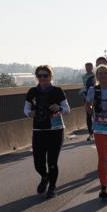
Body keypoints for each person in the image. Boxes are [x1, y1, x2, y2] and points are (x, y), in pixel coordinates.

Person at [25, 65, 71, 198]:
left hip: (55, 131)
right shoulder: (32, 92)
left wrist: (59, 108)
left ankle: (52, 187)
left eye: (45, 75)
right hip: (39, 130)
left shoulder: (57, 91)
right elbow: (26, 109)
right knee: (38, 163)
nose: (42, 78)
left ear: (51, 76)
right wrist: (29, 113)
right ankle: (44, 177)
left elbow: (67, 109)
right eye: (39, 76)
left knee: (52, 162)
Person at [86, 64, 107, 200]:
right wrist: (88, 108)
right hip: (99, 126)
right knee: (101, 157)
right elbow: (87, 104)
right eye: (100, 73)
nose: (103, 75)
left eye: (105, 73)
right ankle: (103, 187)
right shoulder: (92, 90)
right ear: (97, 76)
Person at [81, 62, 95, 142]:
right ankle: (90, 134)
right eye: (86, 67)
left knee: (95, 116)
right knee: (88, 116)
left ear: (92, 67)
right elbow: (85, 87)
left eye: (89, 67)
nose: (88, 68)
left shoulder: (96, 75)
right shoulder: (84, 77)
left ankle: (96, 132)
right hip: (87, 97)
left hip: (95, 96)